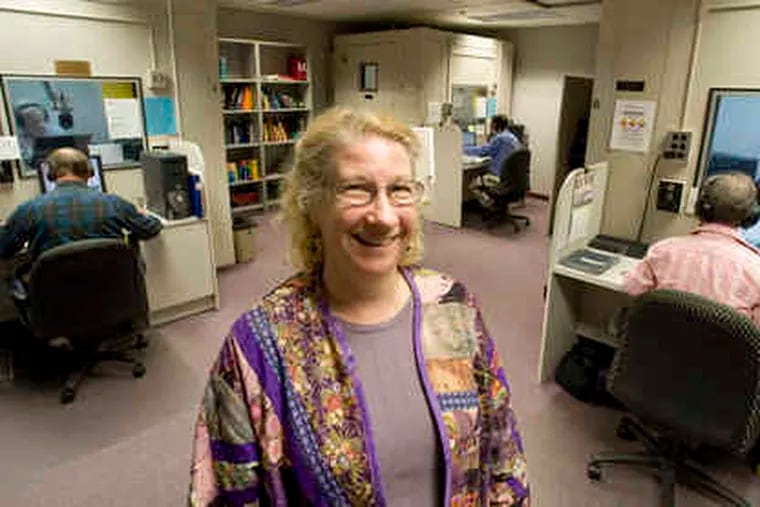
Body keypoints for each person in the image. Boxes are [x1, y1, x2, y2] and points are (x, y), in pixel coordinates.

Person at [189, 107, 530, 506]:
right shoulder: (258, 347)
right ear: (311, 204)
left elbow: (503, 453)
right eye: (356, 189)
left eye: (399, 189)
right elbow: (225, 494)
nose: (383, 217)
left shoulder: (454, 307)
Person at [623, 171, 760, 326]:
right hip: (717, 343)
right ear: (750, 217)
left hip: (660, 338)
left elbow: (632, 288)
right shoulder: (755, 267)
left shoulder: (663, 250)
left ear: (700, 208)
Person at [0, 147, 163, 263]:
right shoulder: (115, 204)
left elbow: (4, 249)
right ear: (90, 172)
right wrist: (142, 214)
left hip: (55, 295)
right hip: (112, 291)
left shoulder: (29, 209)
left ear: (51, 174)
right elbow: (151, 229)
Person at [465, 114, 522, 208]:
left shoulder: (500, 138)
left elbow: (483, 151)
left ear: (494, 125)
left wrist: (463, 149)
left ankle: (490, 205)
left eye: (491, 125)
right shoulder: (513, 138)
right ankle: (498, 205)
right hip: (510, 178)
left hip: (498, 177)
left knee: (472, 183)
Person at [14, 102, 64, 167]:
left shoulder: (56, 134)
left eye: (43, 121)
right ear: (22, 126)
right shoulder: (19, 143)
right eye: (34, 122)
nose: (41, 126)